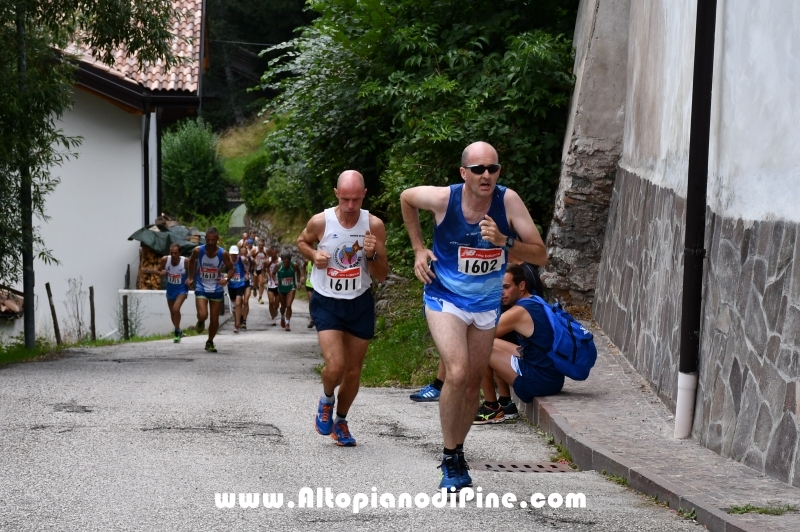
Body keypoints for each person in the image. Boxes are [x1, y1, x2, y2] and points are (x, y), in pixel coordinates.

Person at [399, 141, 546, 490]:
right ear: (463, 172)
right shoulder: (443, 199)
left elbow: (540, 255)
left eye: (492, 168)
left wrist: (505, 241)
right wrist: (419, 249)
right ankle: (449, 457)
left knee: (471, 383)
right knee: (459, 370)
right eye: (478, 169)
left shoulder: (507, 202)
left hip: (485, 306)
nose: (486, 176)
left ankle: (458, 450)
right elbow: (406, 198)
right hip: (445, 298)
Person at [298, 170, 389, 447]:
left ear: (364, 194)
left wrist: (372, 254)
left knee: (352, 371)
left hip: (359, 301)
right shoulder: (320, 221)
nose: (351, 206)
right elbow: (302, 241)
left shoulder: (374, 225)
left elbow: (382, 274)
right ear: (337, 194)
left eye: (356, 200)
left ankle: (341, 420)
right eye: (345, 199)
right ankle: (326, 399)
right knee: (335, 365)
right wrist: (313, 254)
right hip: (327, 300)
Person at [473, 263, 532, 424]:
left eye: (505, 287)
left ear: (521, 285)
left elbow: (483, 335)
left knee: (481, 345)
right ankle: (505, 402)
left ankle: (492, 407)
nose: (501, 293)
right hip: (537, 358)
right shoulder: (532, 301)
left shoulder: (519, 311)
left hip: (538, 374)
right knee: (494, 343)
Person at [187, 227, 235, 353]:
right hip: (201, 286)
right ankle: (201, 320)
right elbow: (191, 261)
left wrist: (227, 279)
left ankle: (210, 341)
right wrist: (191, 277)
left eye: (212, 240)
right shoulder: (198, 251)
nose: (210, 242)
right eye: (208, 239)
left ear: (217, 240)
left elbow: (232, 269)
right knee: (203, 314)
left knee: (214, 319)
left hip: (217, 288)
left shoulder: (222, 254)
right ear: (205, 239)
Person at [142, 243, 188, 343]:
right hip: (170, 289)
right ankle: (178, 329)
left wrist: (190, 280)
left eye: (176, 253)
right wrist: (161, 273)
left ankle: (176, 332)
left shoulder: (185, 261)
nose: (173, 255)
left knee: (176, 308)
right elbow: (158, 270)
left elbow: (192, 272)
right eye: (172, 253)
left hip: (182, 290)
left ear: (180, 253)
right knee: (172, 311)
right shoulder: (165, 260)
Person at [276, 250, 302, 331]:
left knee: (288, 305)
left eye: (287, 262)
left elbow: (298, 272)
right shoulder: (278, 265)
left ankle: (287, 323)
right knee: (283, 307)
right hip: (281, 288)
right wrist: (276, 280)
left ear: (290, 260)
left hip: (291, 287)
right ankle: (282, 316)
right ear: (282, 260)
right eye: (284, 262)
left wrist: (298, 281)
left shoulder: (294, 265)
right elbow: (273, 274)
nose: (286, 264)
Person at [227, 245, 249, 333]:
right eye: (232, 254)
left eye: (235, 254)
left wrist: (246, 273)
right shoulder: (227, 260)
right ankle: (237, 319)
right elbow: (220, 267)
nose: (234, 256)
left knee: (238, 302)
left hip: (240, 284)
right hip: (231, 285)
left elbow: (248, 264)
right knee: (234, 305)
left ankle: (237, 324)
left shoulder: (242, 259)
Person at [266, 245, 280, 326]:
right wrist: (264, 278)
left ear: (277, 253)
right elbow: (263, 270)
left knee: (277, 304)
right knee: (271, 302)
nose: (274, 255)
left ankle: (276, 309)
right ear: (271, 254)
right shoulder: (267, 261)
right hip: (270, 284)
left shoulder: (281, 261)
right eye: (272, 253)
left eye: (275, 253)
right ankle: (273, 318)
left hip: (278, 285)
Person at [304, 258, 315, 328]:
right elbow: (303, 268)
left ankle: (317, 318)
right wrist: (302, 275)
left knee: (317, 302)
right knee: (311, 301)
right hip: (309, 284)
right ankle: (312, 319)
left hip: (317, 285)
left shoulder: (319, 262)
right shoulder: (307, 261)